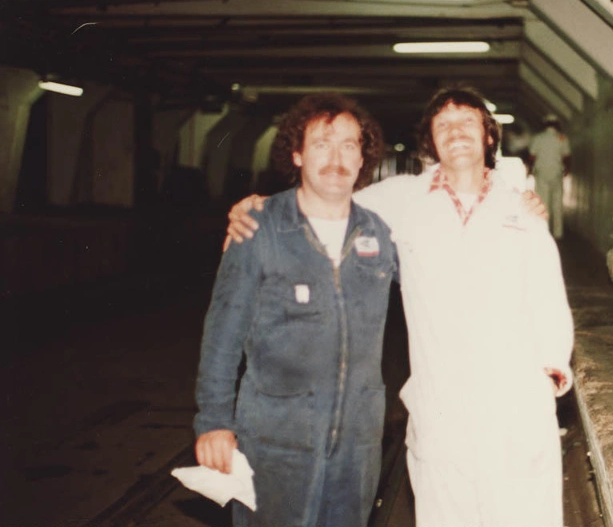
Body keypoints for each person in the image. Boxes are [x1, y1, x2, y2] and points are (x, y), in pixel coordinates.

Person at [227, 86, 574, 527]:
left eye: (467, 121)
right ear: (430, 141)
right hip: (441, 405)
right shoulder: (401, 198)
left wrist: (547, 376)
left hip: (515, 402)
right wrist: (256, 210)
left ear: (489, 136)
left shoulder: (520, 209)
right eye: (443, 124)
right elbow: (321, 206)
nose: (456, 132)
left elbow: (548, 291)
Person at [193, 92, 397, 527]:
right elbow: (222, 335)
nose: (336, 157)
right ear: (298, 153)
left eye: (349, 145)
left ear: (364, 159)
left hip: (357, 447)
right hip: (275, 444)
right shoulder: (261, 228)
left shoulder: (378, 233)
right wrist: (213, 421)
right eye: (322, 143)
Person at [528, 113, 571, 240]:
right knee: (557, 204)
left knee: (543, 203)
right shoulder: (562, 138)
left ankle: (544, 233)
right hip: (557, 173)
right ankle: (558, 233)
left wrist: (530, 170)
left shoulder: (538, 138)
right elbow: (567, 157)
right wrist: (567, 170)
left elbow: (531, 156)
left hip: (542, 174)